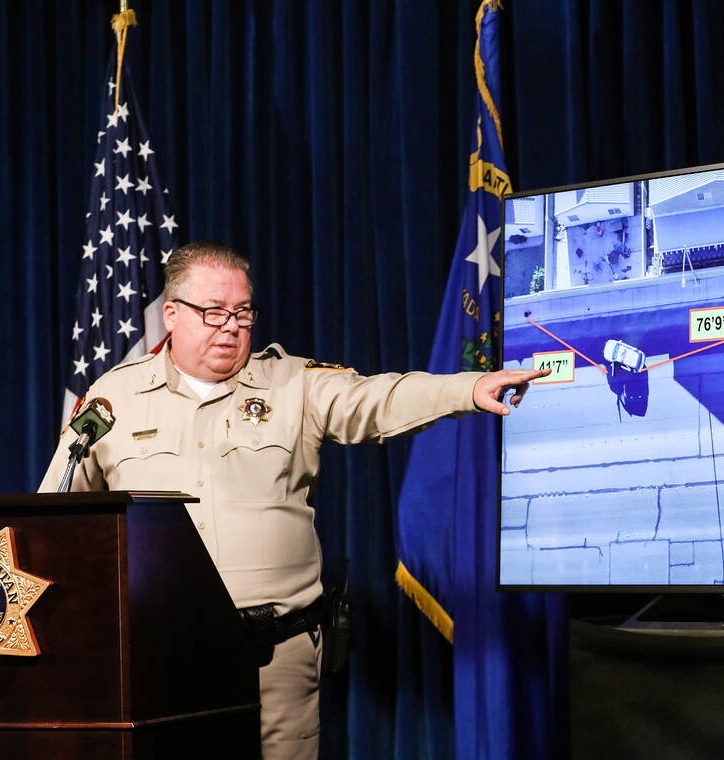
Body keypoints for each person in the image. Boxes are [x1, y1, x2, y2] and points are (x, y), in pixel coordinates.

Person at [39, 241, 545, 760]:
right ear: (172, 314)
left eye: (242, 311)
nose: (231, 326)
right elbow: (56, 519)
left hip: (274, 656)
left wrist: (469, 388)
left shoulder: (294, 385)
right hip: (157, 656)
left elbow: (379, 398)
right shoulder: (112, 398)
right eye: (213, 312)